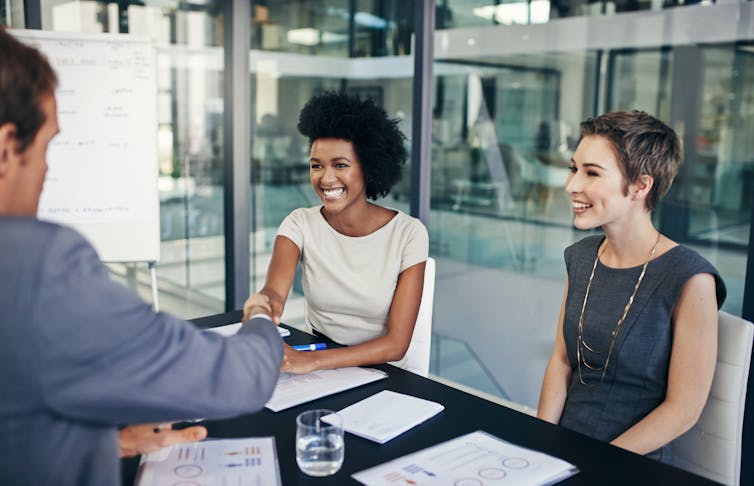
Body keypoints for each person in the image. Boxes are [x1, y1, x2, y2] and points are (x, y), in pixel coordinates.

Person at [0, 27, 283, 484]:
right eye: (47, 146)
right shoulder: (36, 269)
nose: (49, 169)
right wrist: (261, 320)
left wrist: (114, 443)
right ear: (4, 148)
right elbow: (238, 378)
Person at [536, 111, 726, 464]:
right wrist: (540, 446)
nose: (571, 185)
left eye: (592, 173)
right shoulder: (579, 258)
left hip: (630, 463)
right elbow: (561, 362)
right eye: (573, 168)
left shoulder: (690, 277)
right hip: (563, 451)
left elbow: (683, 408)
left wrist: (595, 461)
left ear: (641, 185)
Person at [245, 91, 429, 374]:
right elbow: (274, 292)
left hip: (383, 374)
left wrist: (313, 362)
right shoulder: (299, 224)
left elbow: (396, 344)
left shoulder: (408, 234)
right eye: (316, 165)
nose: (326, 178)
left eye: (340, 165)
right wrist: (263, 308)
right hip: (318, 363)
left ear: (368, 167)